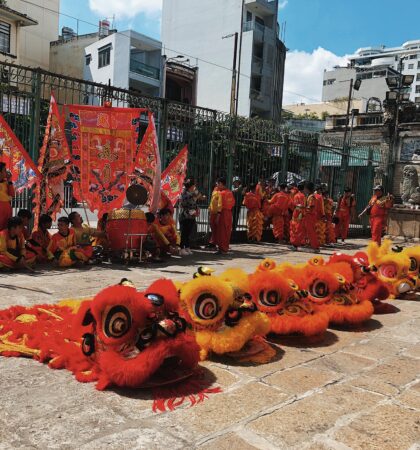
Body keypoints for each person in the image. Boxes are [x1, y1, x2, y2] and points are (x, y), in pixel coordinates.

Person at [208, 177, 235, 254]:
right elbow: (233, 203)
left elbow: (218, 205)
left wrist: (217, 215)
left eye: (217, 184)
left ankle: (222, 249)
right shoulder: (229, 192)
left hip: (222, 213)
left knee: (221, 232)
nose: (216, 185)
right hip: (229, 213)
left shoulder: (220, 193)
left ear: (221, 184)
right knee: (227, 231)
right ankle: (224, 247)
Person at [179, 179, 204, 256]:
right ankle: (181, 248)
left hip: (191, 215)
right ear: (191, 186)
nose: (194, 187)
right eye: (194, 185)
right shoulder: (185, 193)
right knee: (184, 233)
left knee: (188, 232)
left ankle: (187, 247)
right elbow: (191, 203)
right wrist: (197, 197)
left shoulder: (190, 193)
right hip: (185, 215)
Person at [301, 181, 320, 253]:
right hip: (308, 216)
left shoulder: (311, 197)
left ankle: (315, 247)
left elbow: (311, 207)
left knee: (311, 232)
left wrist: (303, 208)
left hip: (310, 216)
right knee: (306, 231)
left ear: (307, 188)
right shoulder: (309, 196)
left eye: (305, 188)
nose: (304, 189)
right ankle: (306, 244)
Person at [290, 182, 306, 249]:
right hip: (301, 213)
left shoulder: (296, 195)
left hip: (296, 213)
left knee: (295, 228)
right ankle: (301, 242)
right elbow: (303, 205)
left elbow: (294, 204)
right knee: (300, 229)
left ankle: (295, 244)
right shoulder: (304, 196)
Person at [0, 163, 14, 231]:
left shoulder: (6, 182)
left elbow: (12, 194)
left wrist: (10, 181)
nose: (6, 172)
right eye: (4, 170)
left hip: (7, 212)